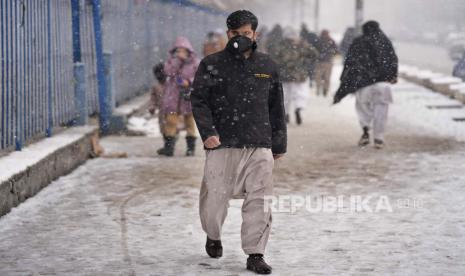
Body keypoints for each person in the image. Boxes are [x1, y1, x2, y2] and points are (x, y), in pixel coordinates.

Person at [191, 10, 287, 275]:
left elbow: (276, 106)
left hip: (259, 143)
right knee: (215, 199)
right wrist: (208, 132)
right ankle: (213, 233)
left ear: (255, 34)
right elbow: (198, 101)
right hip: (221, 144)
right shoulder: (211, 64)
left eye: (246, 33)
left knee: (260, 198)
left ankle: (255, 253)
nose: (240, 38)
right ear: (227, 34)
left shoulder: (267, 66)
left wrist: (278, 143)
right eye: (235, 33)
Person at [333, 21, 398, 149]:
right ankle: (379, 138)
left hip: (363, 83)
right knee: (381, 110)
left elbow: (350, 62)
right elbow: (392, 59)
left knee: (363, 109)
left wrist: (347, 80)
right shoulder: (384, 41)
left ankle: (365, 131)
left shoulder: (359, 42)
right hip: (382, 83)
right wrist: (393, 75)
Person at [157, 36, 200, 157]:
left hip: (188, 95)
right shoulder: (171, 61)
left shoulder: (195, 62)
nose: (180, 52)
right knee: (171, 121)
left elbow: (201, 76)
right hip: (173, 95)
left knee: (190, 122)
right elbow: (168, 72)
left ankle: (190, 148)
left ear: (188, 50)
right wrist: (177, 61)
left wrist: (189, 81)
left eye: (183, 50)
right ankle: (169, 148)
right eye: (178, 50)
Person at [275, 27, 318, 125]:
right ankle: (298, 108)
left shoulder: (281, 46)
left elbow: (276, 59)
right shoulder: (301, 45)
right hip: (299, 75)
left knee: (285, 95)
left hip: (285, 75)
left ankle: (286, 114)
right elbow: (314, 54)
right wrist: (306, 46)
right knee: (300, 93)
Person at [314, 30, 338, 97]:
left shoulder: (318, 41)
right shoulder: (331, 41)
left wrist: (318, 55)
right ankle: (325, 89)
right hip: (328, 62)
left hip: (319, 62)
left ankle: (318, 88)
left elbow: (313, 50)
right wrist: (330, 52)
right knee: (327, 77)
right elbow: (336, 50)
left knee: (318, 77)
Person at [148, 63, 167, 136]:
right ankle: (167, 143)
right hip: (162, 111)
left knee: (172, 127)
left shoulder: (172, 85)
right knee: (163, 128)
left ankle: (170, 144)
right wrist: (152, 106)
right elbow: (153, 98)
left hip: (173, 110)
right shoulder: (156, 87)